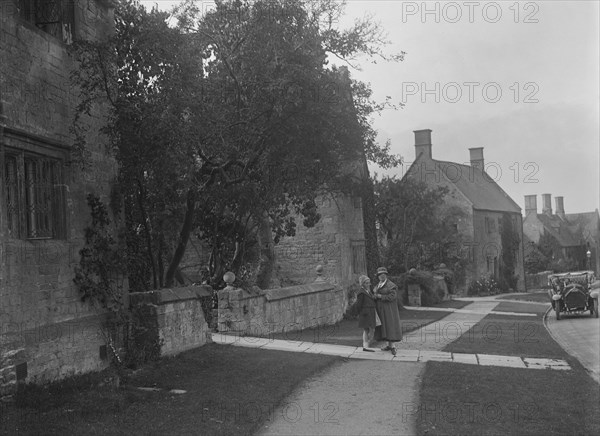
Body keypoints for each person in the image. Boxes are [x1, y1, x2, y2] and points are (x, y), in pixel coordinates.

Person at [372, 267, 403, 355]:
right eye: (380, 275)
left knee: (390, 325)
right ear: (378, 276)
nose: (381, 276)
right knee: (384, 326)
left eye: (383, 274)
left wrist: (380, 296)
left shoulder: (391, 285)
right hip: (381, 309)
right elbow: (375, 294)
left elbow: (392, 297)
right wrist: (375, 296)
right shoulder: (378, 285)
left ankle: (393, 346)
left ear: (386, 275)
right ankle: (388, 345)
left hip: (389, 310)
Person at [356, 275, 380, 352]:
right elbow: (359, 305)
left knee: (372, 329)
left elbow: (372, 299)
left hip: (371, 312)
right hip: (365, 313)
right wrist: (361, 313)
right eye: (366, 283)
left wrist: (375, 294)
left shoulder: (368, 291)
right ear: (362, 284)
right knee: (367, 329)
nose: (368, 284)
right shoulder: (361, 292)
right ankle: (366, 346)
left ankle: (366, 345)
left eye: (369, 283)